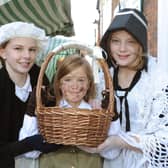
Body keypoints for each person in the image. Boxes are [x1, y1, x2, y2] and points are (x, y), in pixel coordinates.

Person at [82, 8, 168, 168]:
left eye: (131, 41)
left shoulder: (158, 81)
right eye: (116, 41)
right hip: (110, 162)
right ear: (108, 43)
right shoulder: (102, 79)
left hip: (145, 163)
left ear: (140, 45)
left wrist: (119, 141)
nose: (122, 49)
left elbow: (164, 138)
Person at [19, 54, 103, 168]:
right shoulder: (49, 114)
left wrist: (112, 117)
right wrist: (31, 112)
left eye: (81, 80)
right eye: (68, 80)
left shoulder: (96, 114)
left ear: (89, 83)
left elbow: (111, 153)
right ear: (58, 83)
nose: (75, 86)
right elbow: (29, 152)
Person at [0, 21, 60, 168]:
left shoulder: (40, 78)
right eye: (18, 49)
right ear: (2, 52)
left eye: (32, 49)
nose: (26, 55)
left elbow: (51, 115)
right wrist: (27, 144)